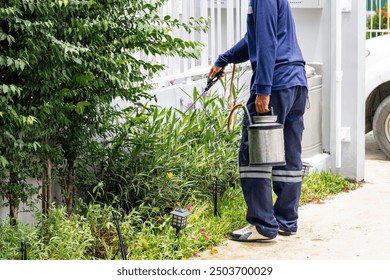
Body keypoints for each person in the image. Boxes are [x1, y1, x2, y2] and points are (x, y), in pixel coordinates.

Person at [208, 0, 308, 241]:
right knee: (289, 154)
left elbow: (266, 42)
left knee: (253, 154)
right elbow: (253, 39)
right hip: (296, 83)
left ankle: (262, 225)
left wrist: (263, 89)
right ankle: (286, 220)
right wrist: (225, 58)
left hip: (275, 84)